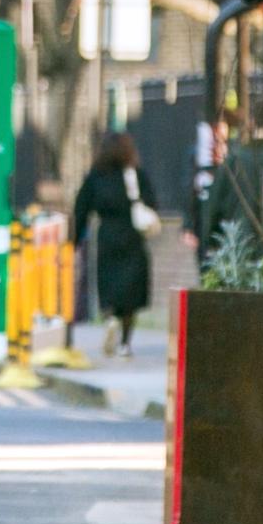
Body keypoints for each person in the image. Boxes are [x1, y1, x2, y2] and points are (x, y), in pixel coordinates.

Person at [71, 131, 159, 359]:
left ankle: (110, 317)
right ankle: (125, 343)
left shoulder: (95, 177)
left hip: (107, 237)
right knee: (131, 293)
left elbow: (81, 209)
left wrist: (73, 242)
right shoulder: (136, 175)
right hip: (132, 238)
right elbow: (152, 202)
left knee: (110, 285)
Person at [200, 95, 263, 266]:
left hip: (238, 250)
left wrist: (209, 242)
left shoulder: (235, 158)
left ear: (252, 121)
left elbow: (213, 206)